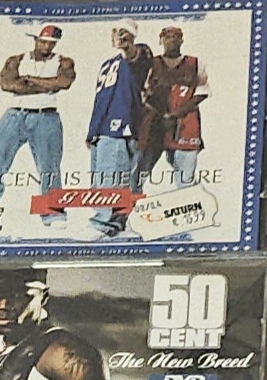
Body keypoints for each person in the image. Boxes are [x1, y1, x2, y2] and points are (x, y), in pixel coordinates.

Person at [0, 24, 75, 224]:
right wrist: (46, 86)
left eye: (51, 43)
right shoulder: (16, 60)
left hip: (46, 116)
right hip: (15, 115)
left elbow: (63, 83)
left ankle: (53, 212)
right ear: (35, 39)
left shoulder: (64, 61)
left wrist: (29, 80)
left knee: (49, 165)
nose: (47, 46)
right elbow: (7, 84)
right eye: (43, 41)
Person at [84, 19, 153, 237]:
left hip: (121, 126)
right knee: (105, 180)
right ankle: (116, 225)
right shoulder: (107, 64)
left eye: (124, 32)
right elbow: (101, 98)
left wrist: (127, 46)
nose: (118, 36)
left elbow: (136, 58)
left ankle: (102, 224)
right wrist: (92, 130)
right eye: (115, 32)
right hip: (102, 127)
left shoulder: (140, 54)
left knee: (113, 179)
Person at [135, 25, 210, 194]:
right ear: (161, 40)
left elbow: (201, 93)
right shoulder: (151, 63)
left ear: (182, 40)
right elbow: (141, 94)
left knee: (185, 181)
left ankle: (192, 208)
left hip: (185, 124)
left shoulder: (195, 63)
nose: (171, 40)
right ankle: (131, 209)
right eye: (167, 37)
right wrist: (157, 114)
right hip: (154, 125)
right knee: (137, 176)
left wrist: (175, 115)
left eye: (175, 36)